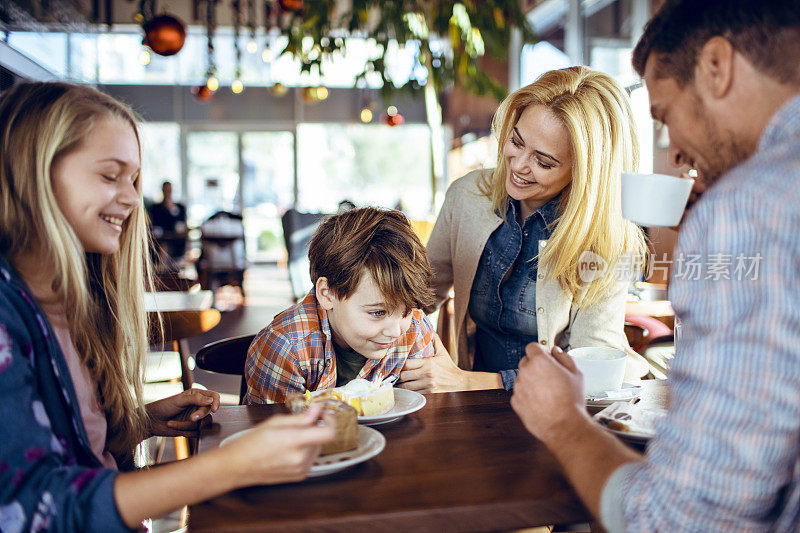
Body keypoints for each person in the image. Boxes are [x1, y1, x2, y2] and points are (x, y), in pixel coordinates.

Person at [511, 1, 800, 530]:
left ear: (717, 66)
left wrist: (562, 423)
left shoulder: (750, 208)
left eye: (666, 115)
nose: (679, 154)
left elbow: (683, 520)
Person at [0, 82, 334, 532]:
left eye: (134, 179)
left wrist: (141, 421)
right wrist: (229, 466)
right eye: (109, 175)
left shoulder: (74, 304)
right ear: (33, 172)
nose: (134, 198)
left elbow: (70, 445)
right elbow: (31, 508)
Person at [400, 66, 649, 393]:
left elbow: (590, 371)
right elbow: (418, 293)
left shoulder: (606, 239)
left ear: (584, 172)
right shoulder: (468, 197)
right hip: (477, 409)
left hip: (562, 414)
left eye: (544, 162)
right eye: (516, 142)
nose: (518, 166)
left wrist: (465, 381)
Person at [245, 207, 437, 404]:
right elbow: (272, 431)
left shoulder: (414, 328)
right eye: (378, 312)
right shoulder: (286, 346)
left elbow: (422, 412)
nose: (396, 331)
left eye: (405, 310)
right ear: (327, 294)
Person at [148, 180, 188, 263]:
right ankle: (161, 268)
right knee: (163, 246)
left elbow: (183, 226)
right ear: (162, 191)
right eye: (165, 190)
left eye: (169, 190)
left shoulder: (180, 207)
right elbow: (153, 225)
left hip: (177, 241)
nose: (167, 192)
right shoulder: (156, 208)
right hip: (161, 241)